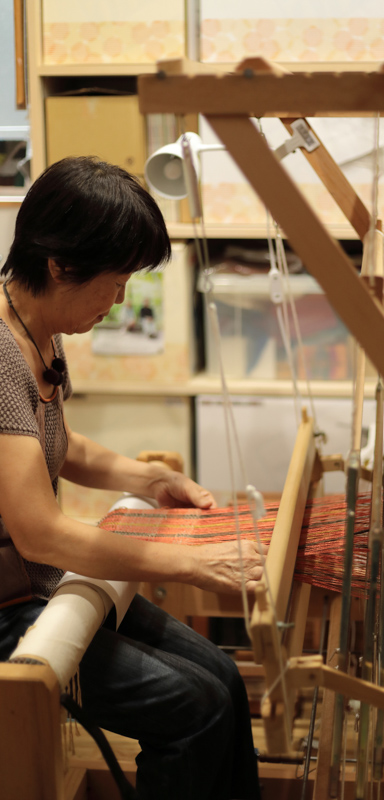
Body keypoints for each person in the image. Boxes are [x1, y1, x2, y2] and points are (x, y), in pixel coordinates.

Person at [0, 156, 264, 800]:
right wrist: (191, 563)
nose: (119, 302)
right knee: (195, 707)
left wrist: (147, 480)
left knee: (223, 677)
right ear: (60, 267)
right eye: (115, 283)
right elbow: (41, 534)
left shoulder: (39, 331)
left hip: (36, 586)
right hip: (8, 609)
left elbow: (56, 444)